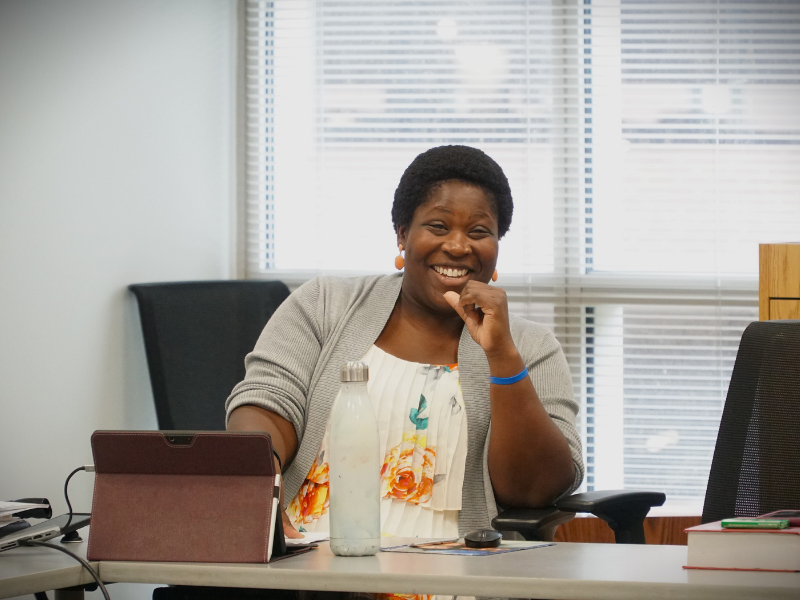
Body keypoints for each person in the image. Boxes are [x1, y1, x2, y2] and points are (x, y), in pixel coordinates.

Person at [226, 145, 583, 551]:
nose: (458, 246)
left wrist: (502, 357)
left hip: (457, 572)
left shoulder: (532, 346)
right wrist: (259, 479)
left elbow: (537, 489)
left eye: (479, 232)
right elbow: (267, 399)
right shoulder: (325, 304)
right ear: (402, 234)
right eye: (438, 225)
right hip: (309, 561)